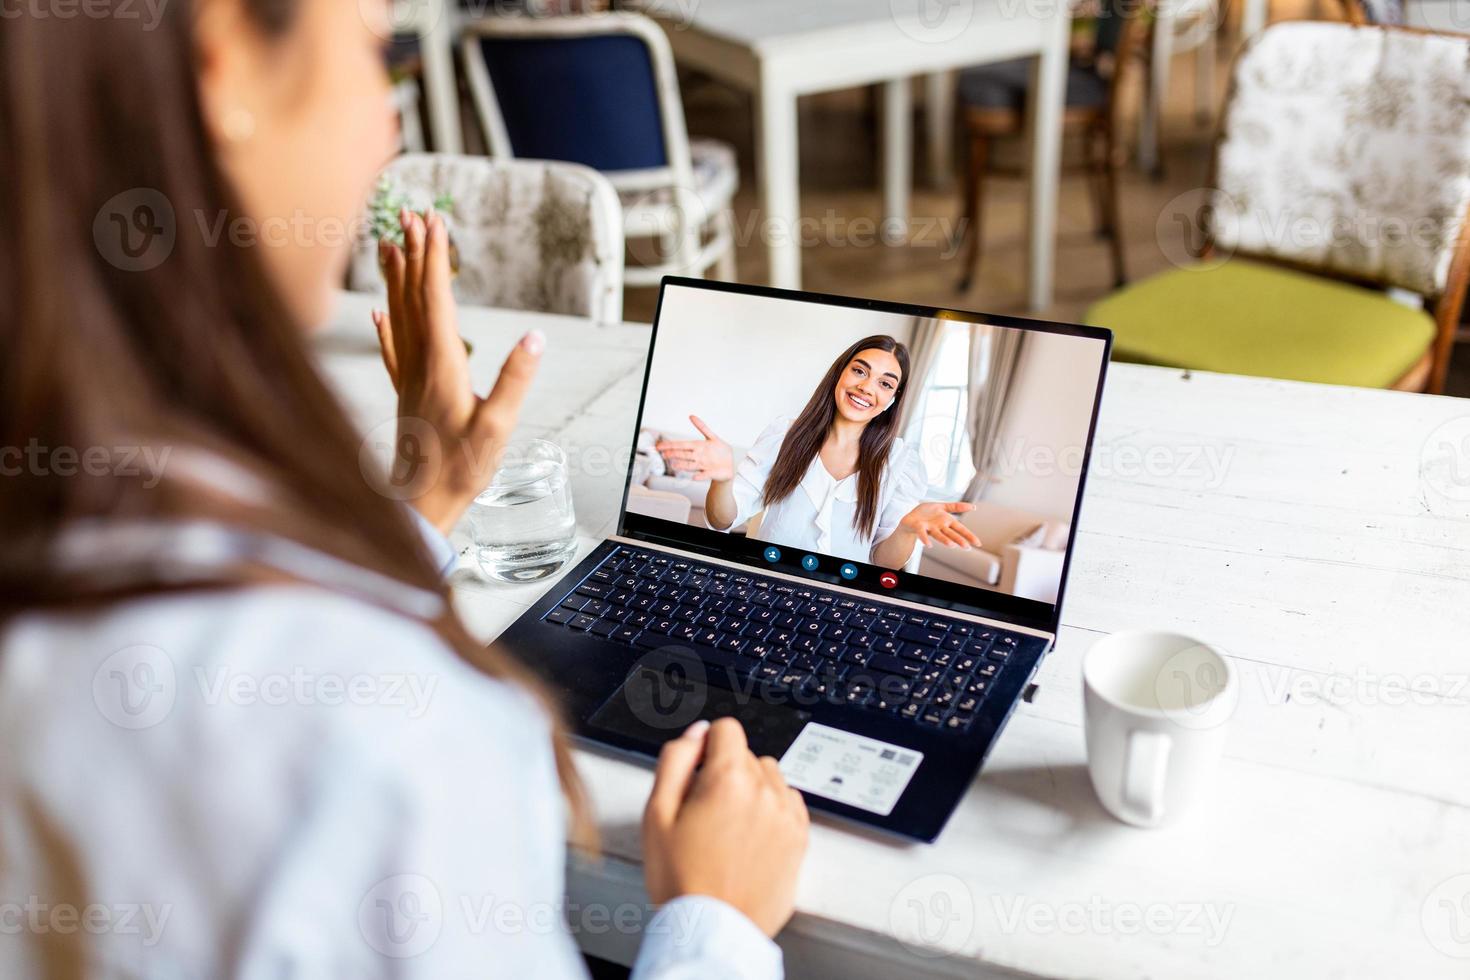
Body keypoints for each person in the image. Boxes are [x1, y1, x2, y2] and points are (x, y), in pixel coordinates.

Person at [0, 1, 807, 977]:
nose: (390, 128)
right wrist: (714, 919)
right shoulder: (378, 741)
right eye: (374, 53)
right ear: (224, 72)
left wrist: (418, 501)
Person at [656, 336, 983, 568]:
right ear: (839, 374)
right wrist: (724, 480)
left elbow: (883, 562)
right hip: (765, 583)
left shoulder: (901, 463)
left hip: (844, 600)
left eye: (885, 383)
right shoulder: (786, 434)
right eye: (860, 371)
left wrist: (907, 528)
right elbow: (722, 518)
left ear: (894, 399)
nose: (867, 387)